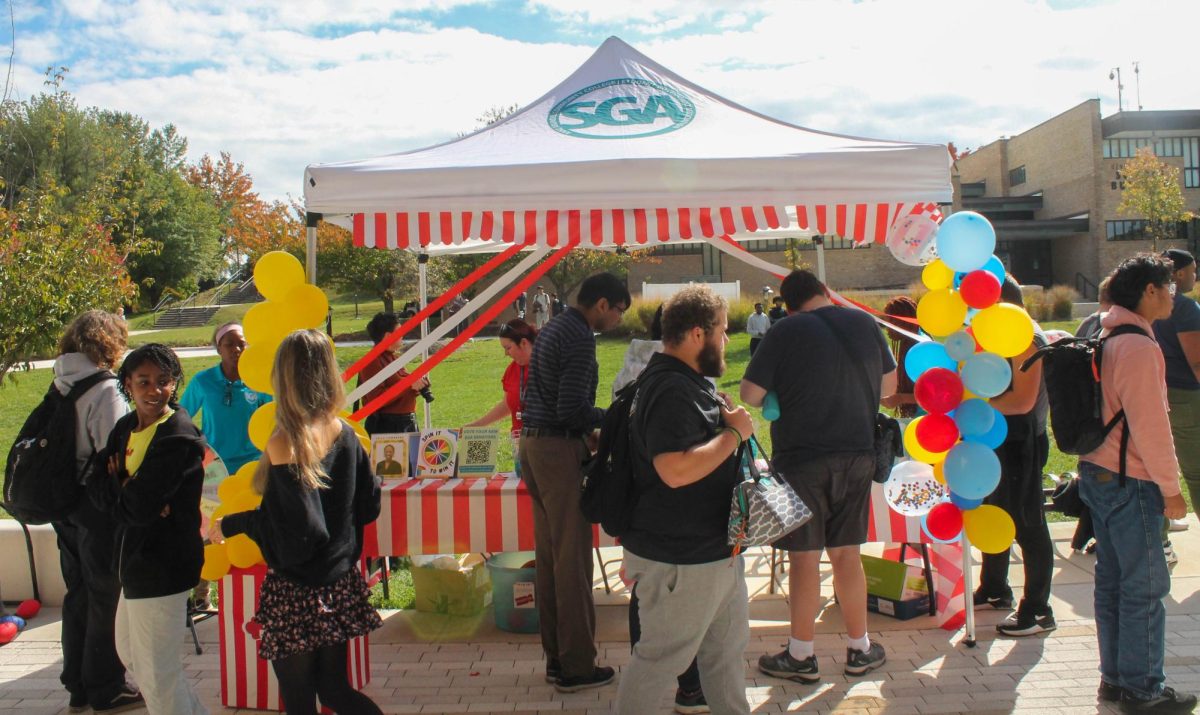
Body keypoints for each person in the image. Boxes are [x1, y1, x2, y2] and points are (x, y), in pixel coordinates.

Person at [211, 329, 384, 715]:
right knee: (336, 691)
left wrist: (235, 524)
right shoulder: (347, 433)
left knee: (300, 700)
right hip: (337, 582)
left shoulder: (285, 442)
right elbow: (368, 507)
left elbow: (299, 533)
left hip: (297, 591)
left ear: (283, 376)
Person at [740, 269, 896, 683]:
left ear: (788, 306)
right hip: (860, 454)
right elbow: (889, 386)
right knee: (848, 556)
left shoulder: (786, 331)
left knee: (804, 559)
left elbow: (749, 395)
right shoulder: (864, 322)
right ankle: (860, 648)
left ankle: (801, 654)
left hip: (802, 459)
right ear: (825, 292)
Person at [614, 285, 754, 715]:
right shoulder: (672, 389)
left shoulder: (681, 383)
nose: (727, 341)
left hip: (709, 553)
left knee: (724, 658)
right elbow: (673, 470)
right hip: (683, 558)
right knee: (658, 662)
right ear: (698, 334)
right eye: (723, 332)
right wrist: (733, 435)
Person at [1079, 254, 1197, 713]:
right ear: (1148, 291)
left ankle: (1116, 679)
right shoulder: (1140, 348)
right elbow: (1151, 427)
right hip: (1132, 480)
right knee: (1146, 586)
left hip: (1098, 473)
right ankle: (1143, 688)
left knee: (1112, 582)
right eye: (1168, 286)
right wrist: (1172, 489)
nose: (1175, 294)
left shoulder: (1101, 331)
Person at [520, 272, 630, 693]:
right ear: (602, 304)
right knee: (572, 563)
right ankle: (578, 667)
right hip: (557, 451)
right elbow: (571, 407)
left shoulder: (554, 328)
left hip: (534, 447)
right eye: (619, 311)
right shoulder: (581, 335)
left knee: (550, 558)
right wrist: (610, 419)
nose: (618, 320)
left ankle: (557, 659)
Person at [88, 344, 208, 715]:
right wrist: (124, 490)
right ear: (128, 384)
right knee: (130, 654)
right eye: (143, 382)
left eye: (163, 381)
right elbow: (97, 487)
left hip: (164, 566)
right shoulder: (125, 427)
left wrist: (125, 490)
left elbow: (137, 507)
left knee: (157, 676)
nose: (154, 390)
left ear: (174, 384)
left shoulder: (178, 436)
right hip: (132, 564)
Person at [51, 311, 142, 714]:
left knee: (79, 595)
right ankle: (106, 686)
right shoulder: (103, 388)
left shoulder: (59, 380)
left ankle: (78, 685)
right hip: (96, 504)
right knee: (105, 595)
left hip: (64, 502)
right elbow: (116, 450)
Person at [974, 276, 1056, 637]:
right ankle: (994, 587)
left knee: (1028, 523)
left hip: (1023, 442)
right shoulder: (1002, 336)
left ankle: (1038, 609)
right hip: (1000, 440)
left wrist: (974, 407)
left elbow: (1022, 401)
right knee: (995, 514)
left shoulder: (1025, 338)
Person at [179, 322, 272, 609]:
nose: (237, 349)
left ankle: (258, 593)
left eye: (241, 342)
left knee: (251, 528)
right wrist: (197, 448)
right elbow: (181, 417)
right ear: (217, 348)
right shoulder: (204, 382)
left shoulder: (257, 382)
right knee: (208, 529)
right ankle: (201, 594)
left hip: (252, 470)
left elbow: (270, 420)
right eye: (229, 343)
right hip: (214, 469)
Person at [1153, 249, 1200, 532]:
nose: (1195, 276)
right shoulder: (1183, 307)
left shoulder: (1145, 303)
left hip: (1157, 394)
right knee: (1196, 473)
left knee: (1155, 473)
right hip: (1186, 397)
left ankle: (1160, 540)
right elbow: (1197, 361)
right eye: (1193, 271)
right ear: (1179, 274)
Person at [359, 312, 430, 435]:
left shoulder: (393, 358)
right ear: (388, 336)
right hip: (388, 426)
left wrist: (419, 385)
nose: (403, 336)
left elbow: (402, 387)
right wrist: (408, 385)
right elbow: (376, 399)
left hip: (405, 422)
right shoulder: (372, 361)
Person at [464, 319, 536, 433]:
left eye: (508, 348)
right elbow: (508, 403)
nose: (506, 353)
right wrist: (477, 425)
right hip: (519, 441)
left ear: (524, 343)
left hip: (544, 442)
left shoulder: (547, 367)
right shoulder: (512, 370)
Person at [879, 296, 920, 419]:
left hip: (926, 420)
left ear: (901, 322)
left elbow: (932, 394)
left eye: (889, 322)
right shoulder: (908, 344)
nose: (887, 329)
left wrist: (900, 398)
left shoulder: (918, 350)